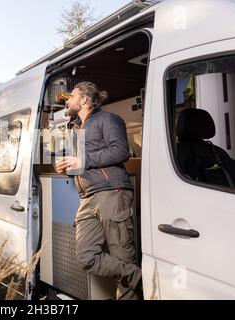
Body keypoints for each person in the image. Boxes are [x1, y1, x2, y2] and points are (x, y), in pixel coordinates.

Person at [55, 81, 142, 300]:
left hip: (112, 193)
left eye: (72, 96)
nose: (68, 100)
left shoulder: (108, 119)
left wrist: (81, 160)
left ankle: (134, 282)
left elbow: (120, 151)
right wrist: (68, 168)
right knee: (86, 257)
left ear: (84, 99)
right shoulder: (75, 129)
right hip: (87, 198)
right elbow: (84, 165)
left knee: (122, 257)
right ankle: (140, 277)